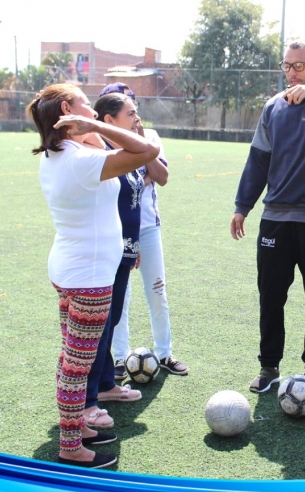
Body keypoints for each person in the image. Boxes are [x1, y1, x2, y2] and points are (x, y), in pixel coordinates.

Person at [27, 84, 158, 468]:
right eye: (85, 105)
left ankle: (77, 428)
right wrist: (90, 124)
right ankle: (71, 446)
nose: (93, 111)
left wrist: (86, 127)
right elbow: (145, 151)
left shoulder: (65, 154)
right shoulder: (78, 161)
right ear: (70, 110)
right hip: (87, 275)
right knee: (77, 364)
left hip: (74, 267)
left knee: (71, 357)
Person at [230, 41, 305, 396]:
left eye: (299, 66)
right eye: (287, 66)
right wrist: (243, 206)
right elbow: (258, 160)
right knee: (270, 296)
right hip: (276, 219)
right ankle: (269, 366)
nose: (293, 73)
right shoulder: (273, 107)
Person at [97, 83, 189, 378]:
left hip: (147, 226)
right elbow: (122, 179)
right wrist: (138, 172)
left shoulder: (149, 137)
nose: (135, 116)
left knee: (157, 291)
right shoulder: (100, 142)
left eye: (135, 106)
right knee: (119, 298)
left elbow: (160, 176)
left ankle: (164, 353)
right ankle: (120, 359)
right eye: (129, 109)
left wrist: (141, 147)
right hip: (115, 229)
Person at [83, 92, 157, 429]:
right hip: (104, 252)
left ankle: (105, 386)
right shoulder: (100, 154)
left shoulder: (124, 154)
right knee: (97, 326)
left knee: (110, 321)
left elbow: (132, 204)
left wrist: (135, 245)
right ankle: (87, 399)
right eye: (130, 113)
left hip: (125, 248)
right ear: (109, 121)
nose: (136, 117)